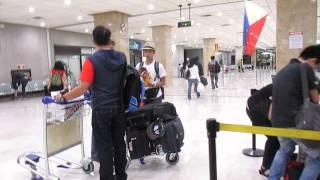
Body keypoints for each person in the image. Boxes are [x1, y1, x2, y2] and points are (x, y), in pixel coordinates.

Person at [55, 26, 127, 180]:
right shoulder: (122, 57)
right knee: (120, 144)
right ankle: (121, 176)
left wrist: (64, 97)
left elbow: (83, 87)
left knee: (104, 147)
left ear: (94, 40)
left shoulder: (91, 60)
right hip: (119, 107)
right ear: (109, 39)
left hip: (101, 109)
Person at [269, 45, 320, 180]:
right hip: (296, 121)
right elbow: (315, 99)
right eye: (317, 66)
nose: (316, 69)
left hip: (278, 121)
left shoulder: (282, 71)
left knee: (284, 150)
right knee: (317, 156)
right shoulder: (306, 68)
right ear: (313, 61)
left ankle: (272, 178)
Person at [246, 84, 280, 177]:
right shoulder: (284, 90)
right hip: (254, 109)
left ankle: (272, 164)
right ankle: (264, 168)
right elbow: (271, 116)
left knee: (277, 138)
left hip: (262, 105)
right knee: (274, 138)